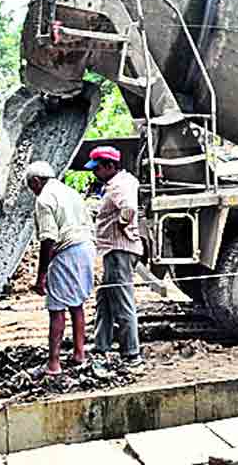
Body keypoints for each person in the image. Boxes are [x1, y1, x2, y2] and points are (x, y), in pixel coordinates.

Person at [25, 160, 95, 377]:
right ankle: (78, 353)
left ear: (36, 181)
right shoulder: (70, 192)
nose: (32, 191)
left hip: (67, 252)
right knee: (77, 304)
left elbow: (48, 239)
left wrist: (41, 276)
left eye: (31, 186)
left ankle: (53, 363)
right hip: (85, 248)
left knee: (56, 309)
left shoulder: (44, 199)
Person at [87, 145, 144, 365]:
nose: (95, 172)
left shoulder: (118, 186)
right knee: (105, 298)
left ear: (110, 166)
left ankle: (132, 352)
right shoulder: (122, 181)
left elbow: (128, 209)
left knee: (122, 300)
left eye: (98, 168)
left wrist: (122, 226)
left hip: (119, 250)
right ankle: (100, 345)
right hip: (114, 250)